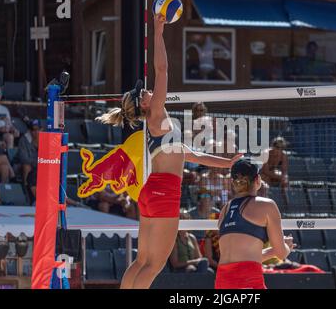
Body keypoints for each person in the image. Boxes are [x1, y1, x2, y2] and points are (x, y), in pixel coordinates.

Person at [96, 15, 242, 289]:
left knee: (142, 261)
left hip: (152, 191)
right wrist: (158, 30)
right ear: (143, 104)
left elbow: (196, 157)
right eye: (144, 92)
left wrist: (229, 163)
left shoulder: (160, 129)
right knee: (153, 265)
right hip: (164, 192)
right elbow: (162, 69)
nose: (149, 90)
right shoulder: (156, 114)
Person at [215, 159, 294, 289]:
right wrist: (285, 247)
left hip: (222, 280)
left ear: (233, 183)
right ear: (258, 179)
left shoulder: (225, 210)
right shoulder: (267, 205)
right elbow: (281, 254)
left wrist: (272, 251)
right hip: (246, 279)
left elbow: (242, 257)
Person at [260, 137, 290, 206]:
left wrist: (284, 177)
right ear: (273, 146)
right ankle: (266, 202)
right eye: (277, 147)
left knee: (285, 180)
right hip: (261, 173)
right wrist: (280, 176)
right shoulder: (266, 153)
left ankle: (286, 203)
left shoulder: (283, 155)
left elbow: (284, 171)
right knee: (266, 178)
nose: (279, 149)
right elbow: (265, 171)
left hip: (272, 172)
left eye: (281, 147)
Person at [0, 84, 19, 149]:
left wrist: (14, 130)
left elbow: (10, 125)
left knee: (10, 137)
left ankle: (9, 158)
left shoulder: (4, 109)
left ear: (1, 95)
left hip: (2, 134)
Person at [17, 120, 41, 185]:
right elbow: (23, 158)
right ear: (30, 131)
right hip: (21, 165)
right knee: (27, 166)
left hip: (40, 164)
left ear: (42, 129)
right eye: (33, 130)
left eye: (38, 129)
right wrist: (37, 163)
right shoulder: (24, 140)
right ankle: (26, 188)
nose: (36, 132)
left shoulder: (45, 140)